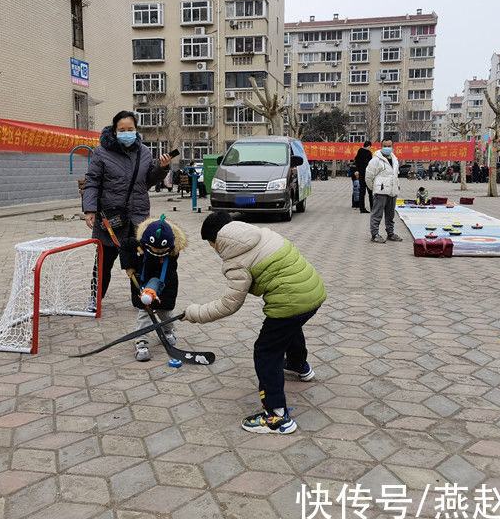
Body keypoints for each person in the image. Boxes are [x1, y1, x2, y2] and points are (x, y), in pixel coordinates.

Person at [183, 212, 326, 434]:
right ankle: (300, 366)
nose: (214, 250)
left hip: (290, 302)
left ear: (218, 240)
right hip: (313, 293)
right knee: (289, 327)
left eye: (212, 245)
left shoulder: (236, 261)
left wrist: (194, 313)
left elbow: (229, 305)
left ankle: (276, 416)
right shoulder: (261, 234)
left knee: (266, 351)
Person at [82, 111, 170, 309]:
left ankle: (141, 298)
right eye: (122, 130)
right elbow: (92, 182)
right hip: (110, 218)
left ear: (136, 130)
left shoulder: (145, 152)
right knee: (104, 262)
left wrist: (162, 168)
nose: (126, 133)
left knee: (140, 260)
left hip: (137, 217)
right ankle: (95, 299)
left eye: (130, 129)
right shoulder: (102, 152)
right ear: (114, 131)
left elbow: (147, 181)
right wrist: (89, 210)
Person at [119, 215, 186, 361]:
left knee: (165, 313)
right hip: (142, 284)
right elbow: (124, 245)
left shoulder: (172, 255)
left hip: (165, 285)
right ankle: (141, 341)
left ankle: (168, 331)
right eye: (154, 248)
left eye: (161, 249)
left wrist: (157, 290)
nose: (157, 251)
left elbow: (168, 275)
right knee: (144, 313)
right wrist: (129, 266)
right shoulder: (139, 245)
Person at [366, 138, 403, 243]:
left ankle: (390, 233)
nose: (387, 148)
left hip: (392, 190)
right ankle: (375, 234)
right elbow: (368, 176)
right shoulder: (376, 160)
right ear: (381, 147)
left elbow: (395, 175)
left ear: (393, 146)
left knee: (390, 214)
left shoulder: (395, 159)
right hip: (380, 191)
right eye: (385, 146)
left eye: (389, 145)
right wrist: (375, 188)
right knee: (377, 214)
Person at [353, 141, 373, 213]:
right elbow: (371, 164)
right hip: (368, 175)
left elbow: (356, 163)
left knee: (362, 192)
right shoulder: (368, 153)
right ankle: (372, 208)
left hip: (361, 175)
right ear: (368, 146)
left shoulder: (359, 152)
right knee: (370, 192)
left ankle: (362, 208)